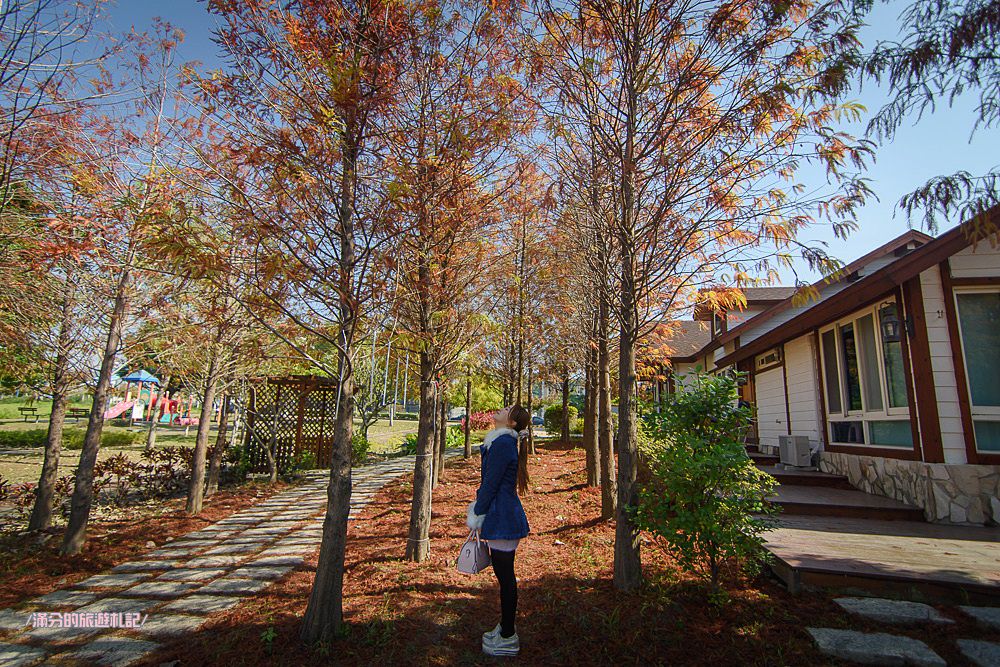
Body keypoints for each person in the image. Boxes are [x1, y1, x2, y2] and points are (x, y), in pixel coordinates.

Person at [466, 404, 531, 657]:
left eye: (508, 410)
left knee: (506, 579)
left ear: (512, 423)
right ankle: (505, 628)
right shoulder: (501, 441)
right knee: (503, 577)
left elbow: (490, 484)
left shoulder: (503, 443)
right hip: (502, 514)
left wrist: (477, 512)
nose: (502, 409)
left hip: (503, 517)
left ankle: (507, 636)